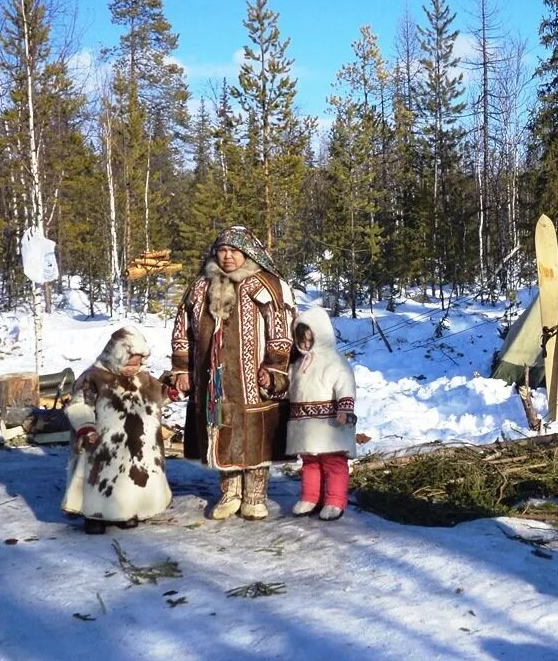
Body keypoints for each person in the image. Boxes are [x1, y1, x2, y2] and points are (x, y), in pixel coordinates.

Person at [170, 226, 294, 521]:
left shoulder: (265, 285)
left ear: (247, 254)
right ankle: (230, 493)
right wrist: (181, 369)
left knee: (254, 434)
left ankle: (254, 495)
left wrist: (274, 368)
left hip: (252, 379)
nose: (227, 257)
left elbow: (282, 329)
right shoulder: (201, 286)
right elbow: (182, 330)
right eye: (223, 251)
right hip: (210, 378)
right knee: (220, 429)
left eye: (234, 252)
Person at [62, 326, 174, 534]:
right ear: (115, 357)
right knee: (100, 479)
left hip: (134, 443)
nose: (133, 368)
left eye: (137, 364)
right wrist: (85, 427)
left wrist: (173, 391)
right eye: (128, 364)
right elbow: (79, 405)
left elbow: (157, 398)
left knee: (129, 479)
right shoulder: (94, 377)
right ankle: (94, 516)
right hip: (103, 443)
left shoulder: (144, 378)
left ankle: (126, 513)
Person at [285, 306, 357, 521]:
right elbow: (288, 388)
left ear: (322, 335)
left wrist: (345, 407)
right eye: (302, 340)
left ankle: (335, 500)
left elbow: (345, 384)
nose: (306, 345)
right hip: (304, 424)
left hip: (330, 423)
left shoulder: (336, 362)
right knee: (309, 462)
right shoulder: (297, 365)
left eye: (310, 339)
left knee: (333, 462)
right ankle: (310, 497)